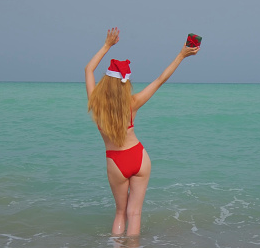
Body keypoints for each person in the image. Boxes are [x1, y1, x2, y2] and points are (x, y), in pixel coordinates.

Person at [85, 27, 199, 236]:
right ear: (125, 83)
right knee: (135, 213)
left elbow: (88, 70)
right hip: (139, 157)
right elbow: (159, 80)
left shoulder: (95, 104)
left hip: (115, 162)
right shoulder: (133, 103)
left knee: (121, 213)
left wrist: (107, 46)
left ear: (106, 83)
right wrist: (181, 55)